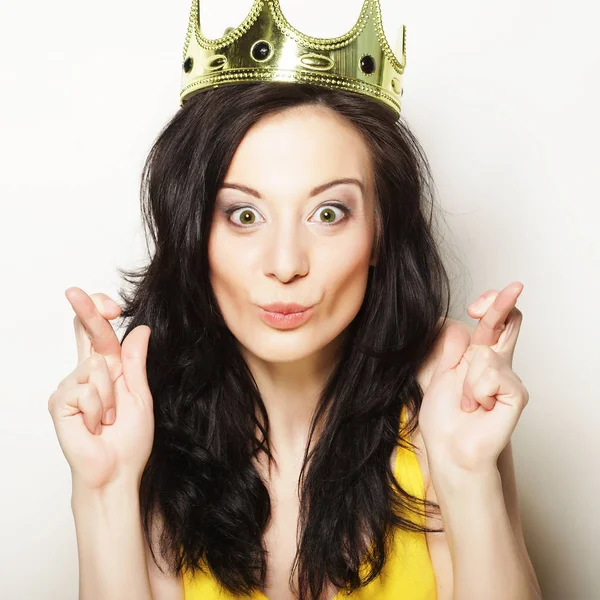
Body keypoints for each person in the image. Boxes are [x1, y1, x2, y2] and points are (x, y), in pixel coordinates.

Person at [47, 1, 543, 599]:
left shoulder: (445, 396)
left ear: (380, 232)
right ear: (194, 233)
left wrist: (468, 475)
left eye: (329, 213)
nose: (286, 264)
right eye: (244, 214)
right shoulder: (147, 420)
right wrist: (102, 489)